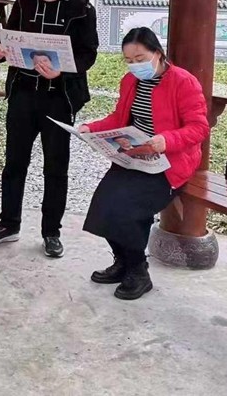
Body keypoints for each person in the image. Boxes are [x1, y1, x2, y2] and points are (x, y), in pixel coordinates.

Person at [0, 0, 100, 258]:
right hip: (23, 94)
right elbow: (9, 41)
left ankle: (51, 232)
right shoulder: (24, 3)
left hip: (60, 97)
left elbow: (89, 54)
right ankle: (8, 224)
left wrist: (62, 71)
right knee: (14, 163)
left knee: (56, 167)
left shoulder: (81, 8)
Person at [80, 27, 209, 300]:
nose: (134, 65)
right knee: (104, 204)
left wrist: (167, 140)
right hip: (135, 155)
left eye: (140, 58)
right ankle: (123, 262)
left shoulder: (183, 82)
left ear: (158, 54)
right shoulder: (130, 81)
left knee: (127, 209)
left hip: (170, 162)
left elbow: (199, 128)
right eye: (129, 60)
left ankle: (138, 271)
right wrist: (91, 128)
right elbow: (118, 119)